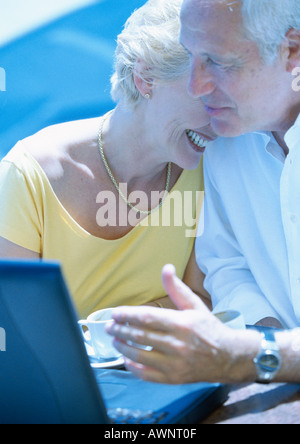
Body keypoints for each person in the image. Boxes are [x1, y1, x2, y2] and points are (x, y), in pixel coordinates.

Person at [107, 0, 300, 384]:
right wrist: (268, 341)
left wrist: (245, 355)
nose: (196, 86)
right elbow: (228, 264)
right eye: (191, 55)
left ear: (291, 53)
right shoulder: (224, 139)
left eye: (217, 61)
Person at [0, 0, 217, 318]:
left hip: (161, 367)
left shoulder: (211, 167)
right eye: (206, 96)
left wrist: (113, 332)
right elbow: (15, 325)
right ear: (145, 78)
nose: (218, 121)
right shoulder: (27, 174)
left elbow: (198, 301)